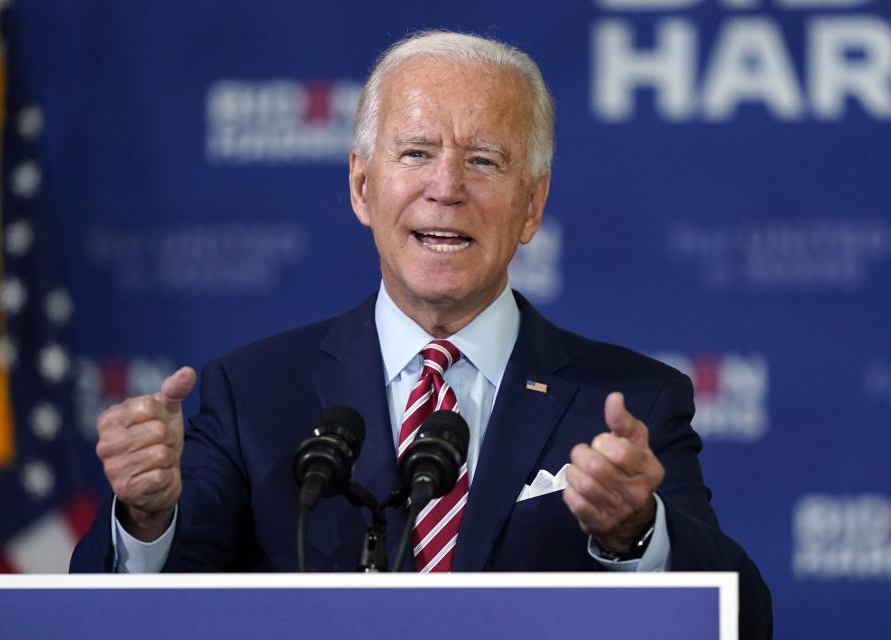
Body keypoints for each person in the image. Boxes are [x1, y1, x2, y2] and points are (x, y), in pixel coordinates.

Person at [71, 30, 772, 637]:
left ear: (532, 206)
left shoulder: (629, 402)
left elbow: (741, 618)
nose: (446, 187)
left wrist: (635, 534)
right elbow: (148, 607)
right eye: (415, 152)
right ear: (361, 186)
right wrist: (144, 520)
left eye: (483, 160)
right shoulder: (252, 392)